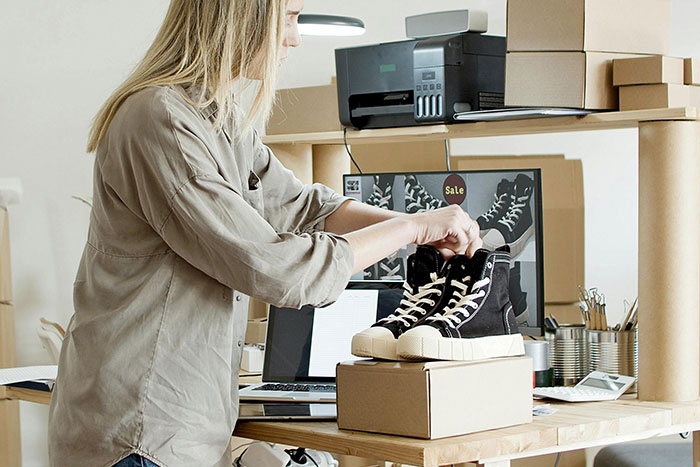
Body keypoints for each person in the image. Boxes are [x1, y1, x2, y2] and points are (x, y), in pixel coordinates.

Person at [47, 1, 482, 466]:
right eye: (290, 17)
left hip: (179, 427)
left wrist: (427, 226)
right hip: (139, 432)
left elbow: (303, 207)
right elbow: (276, 268)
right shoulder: (161, 121)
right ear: (242, 15)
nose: (294, 38)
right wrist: (412, 228)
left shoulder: (219, 118)